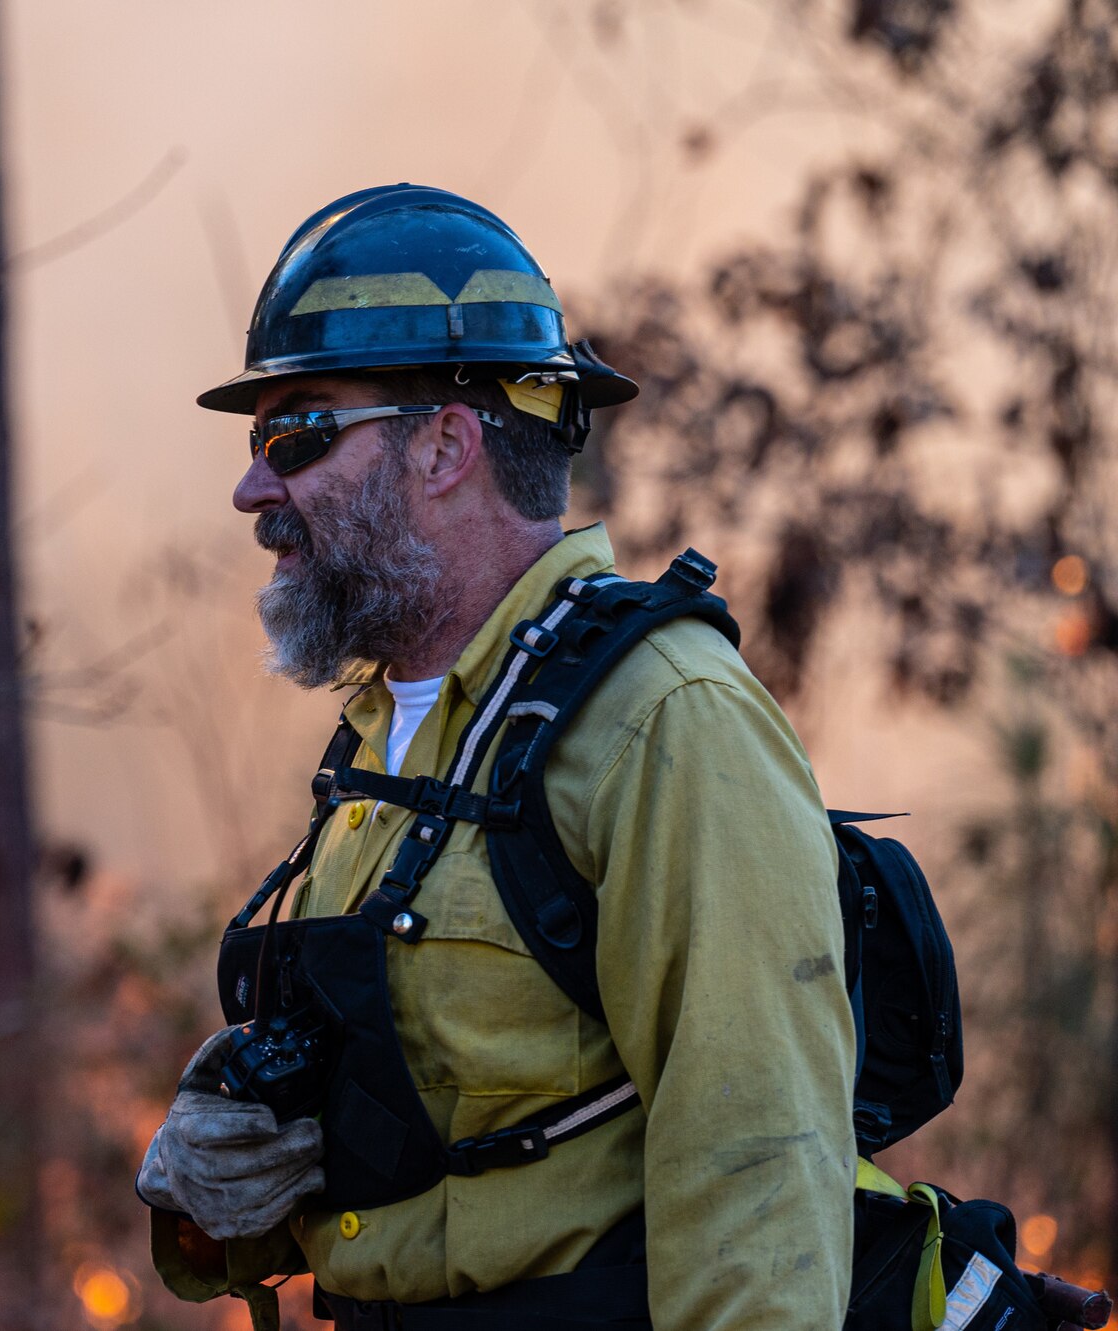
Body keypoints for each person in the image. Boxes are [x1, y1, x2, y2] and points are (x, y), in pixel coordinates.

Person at [136, 185, 856, 1330]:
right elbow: (449, 1157)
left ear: (442, 444)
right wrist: (232, 1185)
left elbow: (757, 1168)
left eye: (297, 430)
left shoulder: (665, 719)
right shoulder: (384, 748)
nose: (253, 487)